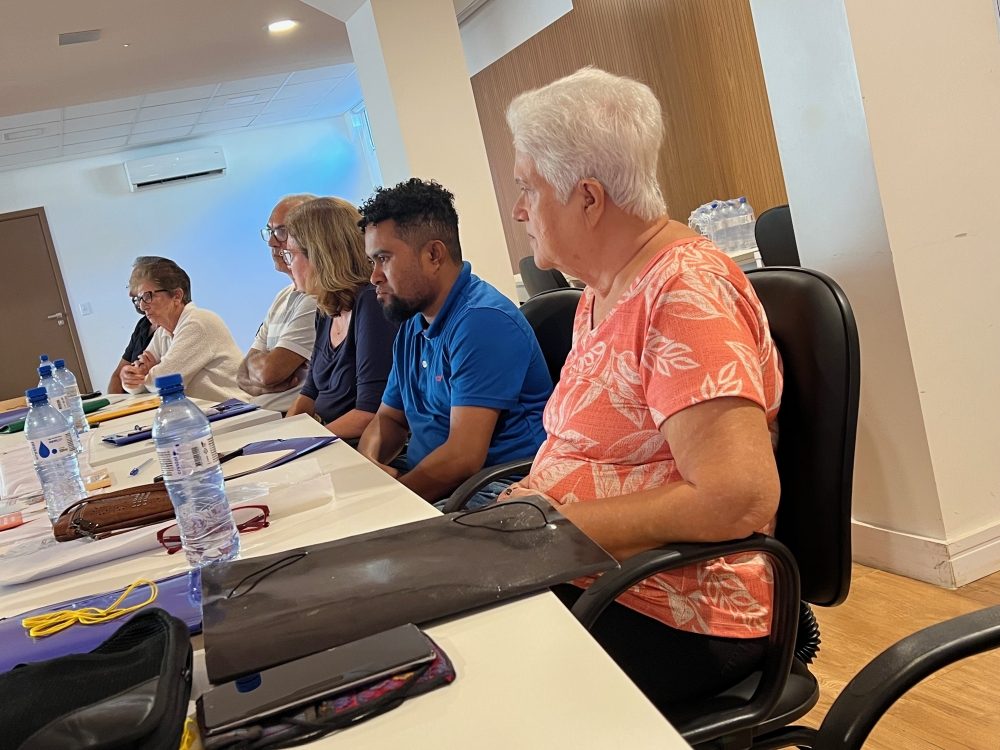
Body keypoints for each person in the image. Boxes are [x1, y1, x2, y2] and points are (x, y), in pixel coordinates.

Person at [501, 67, 783, 708]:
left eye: (527, 188)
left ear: (588, 199)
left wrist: (553, 528)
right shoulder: (601, 289)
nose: (518, 210)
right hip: (596, 574)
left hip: (675, 605)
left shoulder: (683, 293)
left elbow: (737, 497)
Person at [356, 178, 553, 507]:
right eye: (372, 262)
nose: (374, 276)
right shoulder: (413, 324)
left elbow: (463, 458)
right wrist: (370, 461)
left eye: (384, 259)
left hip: (493, 489)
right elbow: (389, 419)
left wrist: (389, 502)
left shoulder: (482, 321)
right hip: (439, 483)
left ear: (434, 255)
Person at [283, 198, 400, 439]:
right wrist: (282, 440)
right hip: (332, 439)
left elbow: (369, 414)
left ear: (319, 257)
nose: (288, 266)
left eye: (290, 255)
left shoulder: (372, 303)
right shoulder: (327, 308)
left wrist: (304, 445)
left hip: (360, 446)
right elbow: (308, 395)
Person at [120, 257, 247, 403]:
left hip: (236, 409)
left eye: (148, 296)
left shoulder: (198, 322)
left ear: (177, 296)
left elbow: (164, 380)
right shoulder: (162, 332)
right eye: (139, 299)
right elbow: (142, 381)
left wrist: (148, 375)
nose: (142, 306)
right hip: (205, 411)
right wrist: (130, 379)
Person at [237, 195, 319, 412]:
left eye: (282, 231)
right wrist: (258, 368)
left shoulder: (316, 299)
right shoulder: (283, 296)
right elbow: (241, 376)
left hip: (287, 416)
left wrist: (261, 368)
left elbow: (269, 373)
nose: (272, 243)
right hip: (263, 412)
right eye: (270, 231)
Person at [108, 258, 159, 394]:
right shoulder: (143, 324)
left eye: (137, 284)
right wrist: (115, 404)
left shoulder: (171, 328)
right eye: (130, 285)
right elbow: (117, 375)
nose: (131, 293)